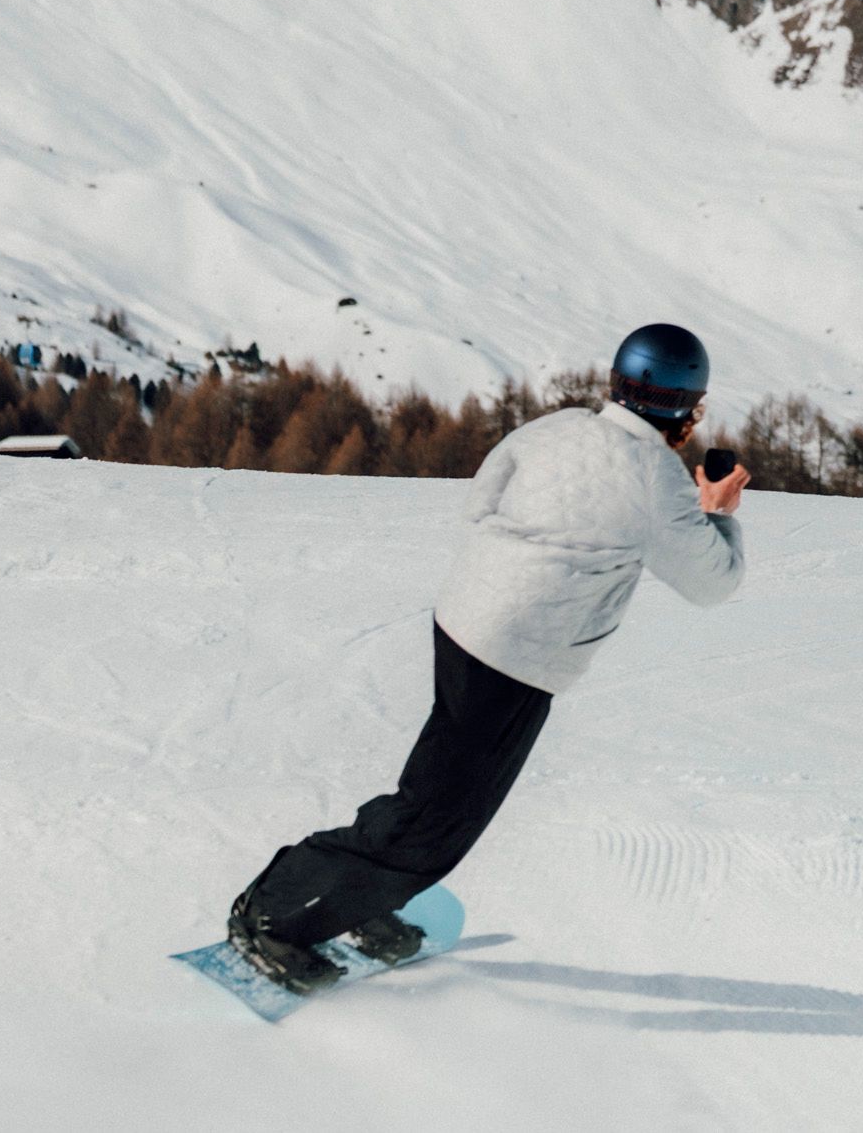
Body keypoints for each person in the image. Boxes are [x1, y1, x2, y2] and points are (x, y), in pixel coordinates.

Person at [221, 320, 751, 989]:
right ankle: (272, 916)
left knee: (431, 796)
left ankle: (360, 906)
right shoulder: (657, 479)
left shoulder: (552, 430)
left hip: (463, 623)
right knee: (432, 828)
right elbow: (713, 584)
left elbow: (481, 504)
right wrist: (719, 512)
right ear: (684, 406)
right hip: (517, 657)